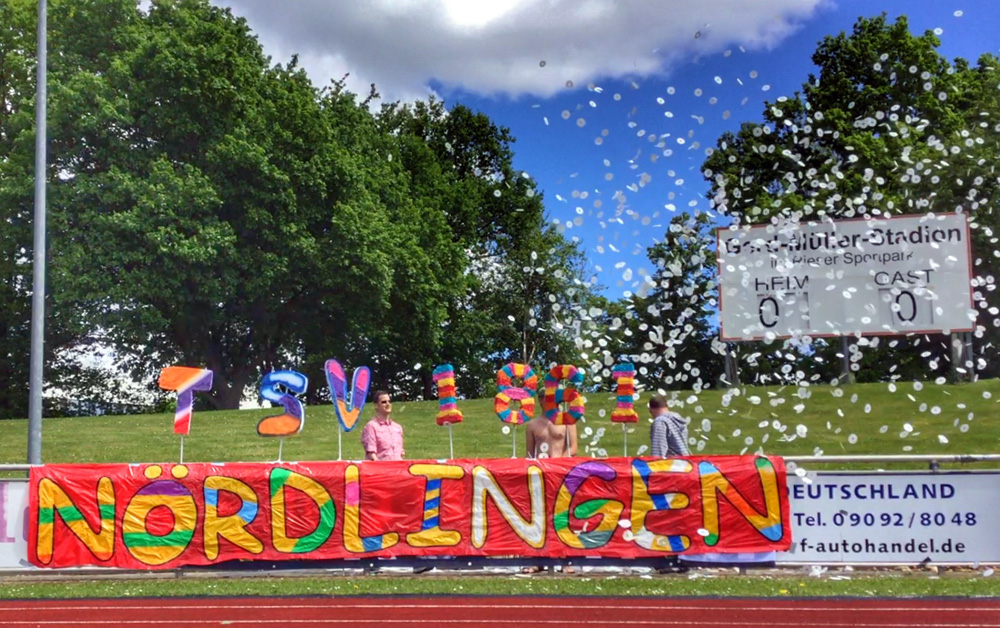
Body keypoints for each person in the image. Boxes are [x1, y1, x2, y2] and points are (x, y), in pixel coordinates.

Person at [522, 413, 577, 575]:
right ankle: (536, 560)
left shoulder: (568, 422)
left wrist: (557, 464)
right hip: (541, 475)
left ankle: (565, 560)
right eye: (544, 399)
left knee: (562, 517)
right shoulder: (532, 425)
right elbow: (530, 454)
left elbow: (573, 448)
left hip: (561, 473)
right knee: (538, 517)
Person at [360, 391, 404, 461]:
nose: (388, 404)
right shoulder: (371, 427)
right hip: (380, 467)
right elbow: (371, 454)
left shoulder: (397, 428)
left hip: (398, 467)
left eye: (389, 401)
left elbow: (400, 454)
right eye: (384, 402)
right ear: (376, 405)